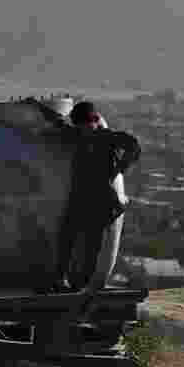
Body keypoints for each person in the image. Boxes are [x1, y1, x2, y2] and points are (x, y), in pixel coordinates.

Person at [48, 101, 141, 293]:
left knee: (90, 245)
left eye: (85, 126)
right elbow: (58, 123)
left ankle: (79, 285)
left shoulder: (107, 138)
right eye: (80, 127)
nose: (84, 131)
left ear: (95, 121)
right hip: (81, 197)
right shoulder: (79, 135)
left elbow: (133, 146)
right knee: (67, 239)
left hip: (100, 201)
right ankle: (62, 280)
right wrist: (37, 106)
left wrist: (119, 169)